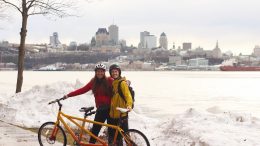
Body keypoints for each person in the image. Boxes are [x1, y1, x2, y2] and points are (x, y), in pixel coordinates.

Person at [63, 63, 113, 144]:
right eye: (98, 71)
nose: (99, 73)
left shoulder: (109, 80)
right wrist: (69, 95)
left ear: (104, 72)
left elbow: (120, 83)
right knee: (95, 131)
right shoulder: (93, 82)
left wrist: (127, 82)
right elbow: (82, 90)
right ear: (95, 72)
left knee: (111, 132)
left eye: (101, 71)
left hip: (111, 109)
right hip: (100, 109)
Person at [108, 64, 133, 145]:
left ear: (119, 72)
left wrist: (129, 105)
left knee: (126, 136)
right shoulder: (114, 83)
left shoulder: (122, 83)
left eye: (116, 71)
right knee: (118, 138)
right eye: (112, 72)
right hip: (115, 115)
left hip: (122, 114)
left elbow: (128, 95)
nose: (114, 73)